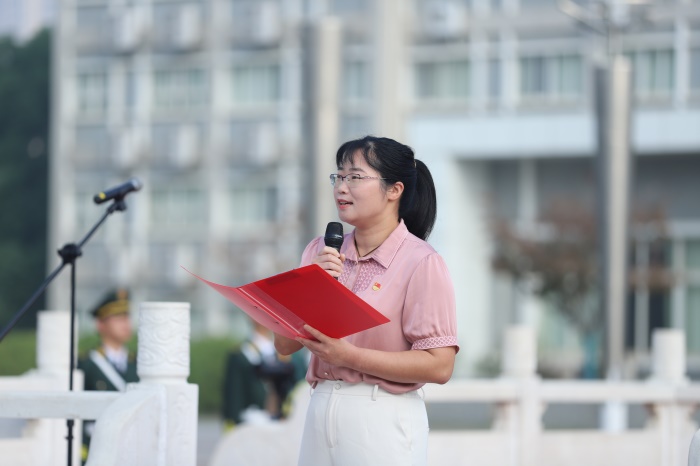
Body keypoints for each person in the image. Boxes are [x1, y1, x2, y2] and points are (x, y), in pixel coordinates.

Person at [273, 135, 459, 466]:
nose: (341, 188)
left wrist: (350, 356)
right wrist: (309, 284)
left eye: (355, 177)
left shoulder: (421, 262)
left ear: (394, 190)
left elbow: (440, 365)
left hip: (382, 414)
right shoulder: (320, 250)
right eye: (339, 176)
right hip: (320, 409)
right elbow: (285, 345)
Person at [77, 288, 138, 462]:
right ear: (100, 324)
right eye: (118, 318)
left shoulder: (139, 363)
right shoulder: (87, 364)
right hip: (96, 448)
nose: (125, 323)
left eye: (127, 317)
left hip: (130, 449)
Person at [222, 320, 307, 429]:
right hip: (250, 425)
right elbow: (234, 399)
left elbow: (299, 388)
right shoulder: (239, 355)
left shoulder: (291, 355)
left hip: (284, 424)